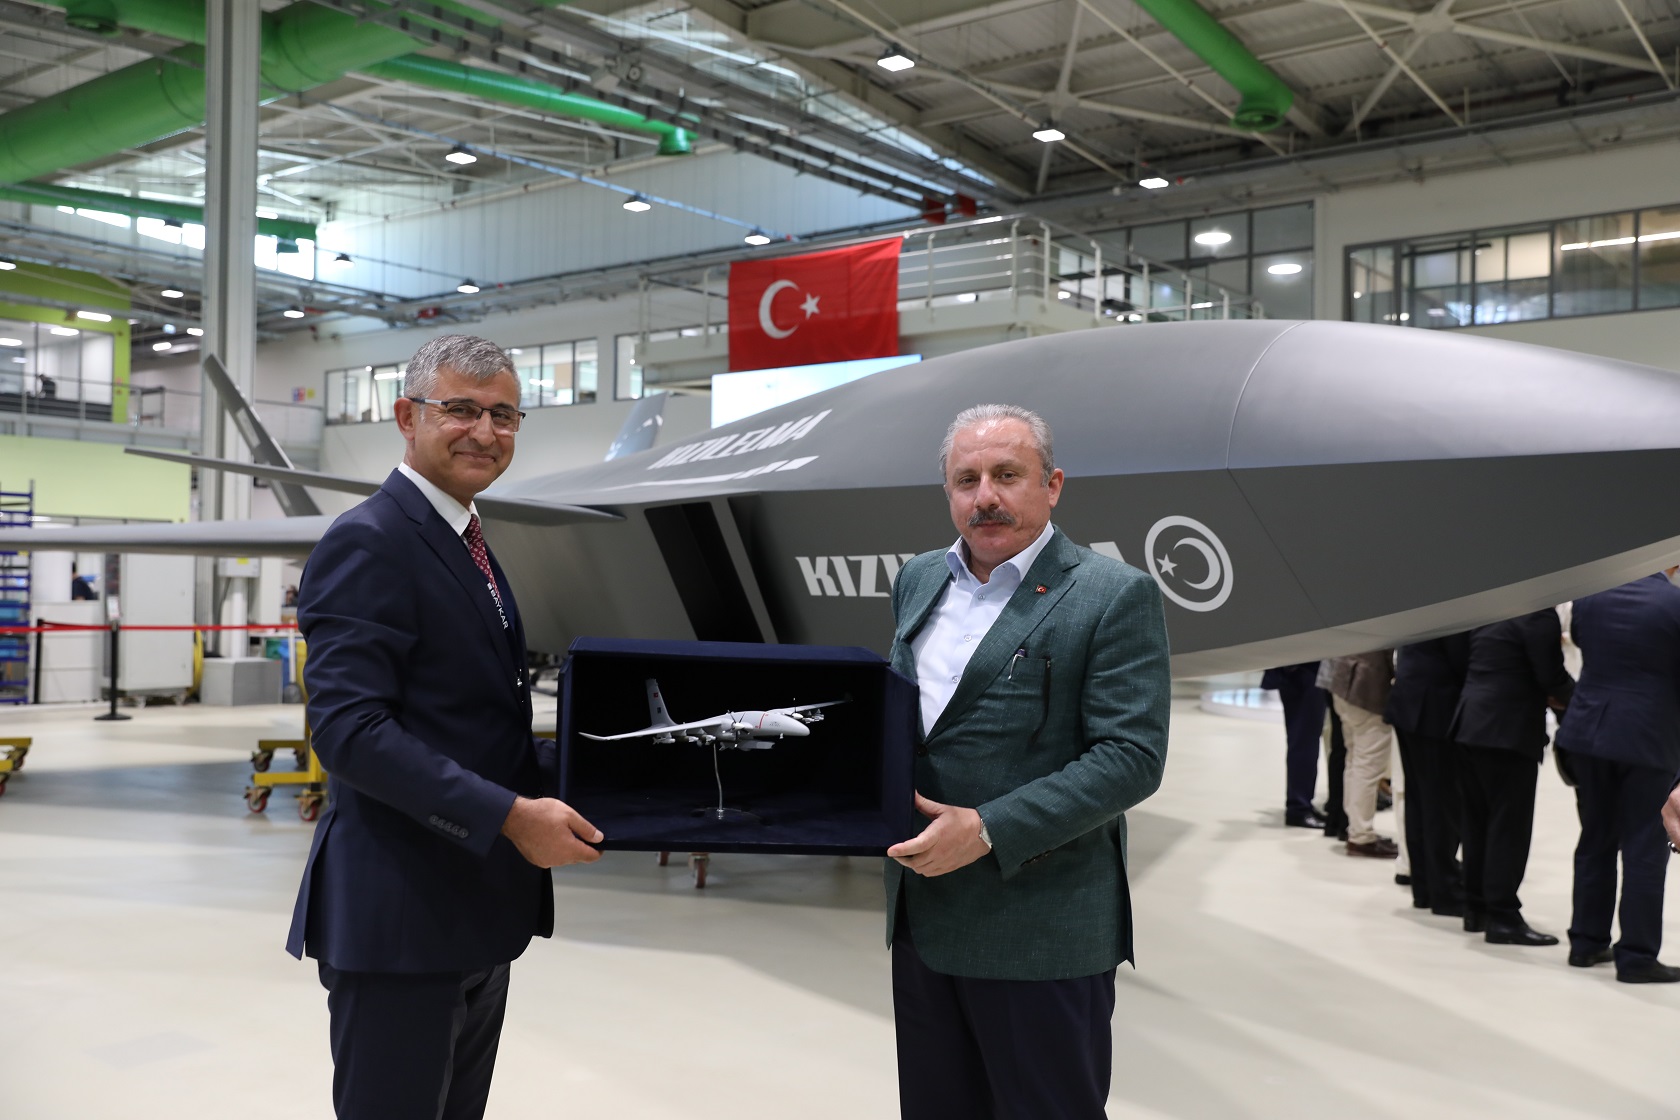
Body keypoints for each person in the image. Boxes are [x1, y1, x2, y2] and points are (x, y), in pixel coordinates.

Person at [284, 335, 603, 1120]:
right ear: (407, 416)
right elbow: (350, 731)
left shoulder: (466, 541)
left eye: (503, 415)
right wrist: (511, 816)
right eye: (460, 409)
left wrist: (611, 772)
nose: (484, 432)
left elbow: (471, 721)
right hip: (400, 920)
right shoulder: (370, 540)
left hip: (471, 912)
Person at [883, 403, 1170, 1119]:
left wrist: (987, 829)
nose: (985, 496)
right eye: (967, 480)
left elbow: (1131, 756)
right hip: (924, 918)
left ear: (1053, 485)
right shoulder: (919, 579)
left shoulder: (1112, 594)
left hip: (1039, 928)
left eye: (1007, 475)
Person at [1556, 571, 1680, 983]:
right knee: (1645, 847)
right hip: (1649, 736)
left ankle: (1586, 942)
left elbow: (1582, 644)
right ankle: (1637, 957)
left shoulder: (1591, 596)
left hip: (1590, 730)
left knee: (1595, 838)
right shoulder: (1673, 603)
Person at [1451, 611, 1573, 946]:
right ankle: (1502, 916)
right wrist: (1581, 700)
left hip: (1470, 722)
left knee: (1476, 822)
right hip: (1507, 729)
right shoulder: (1537, 614)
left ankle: (1476, 907)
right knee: (1508, 827)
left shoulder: (1495, 607)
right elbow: (1550, 676)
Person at [1385, 634, 1469, 916]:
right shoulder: (1453, 611)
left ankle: (1425, 887)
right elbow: (1461, 659)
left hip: (1411, 700)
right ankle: (1444, 891)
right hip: (1434, 707)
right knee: (1440, 805)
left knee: (1420, 802)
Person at [1322, 651, 1398, 858]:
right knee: (1367, 767)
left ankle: (1356, 829)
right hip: (1367, 690)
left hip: (1344, 683)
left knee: (1354, 761)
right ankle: (1361, 836)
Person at [1261, 662, 1326, 828]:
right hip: (1302, 671)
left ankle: (1302, 804)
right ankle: (1299, 808)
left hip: (1303, 670)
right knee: (1304, 741)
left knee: (1306, 740)